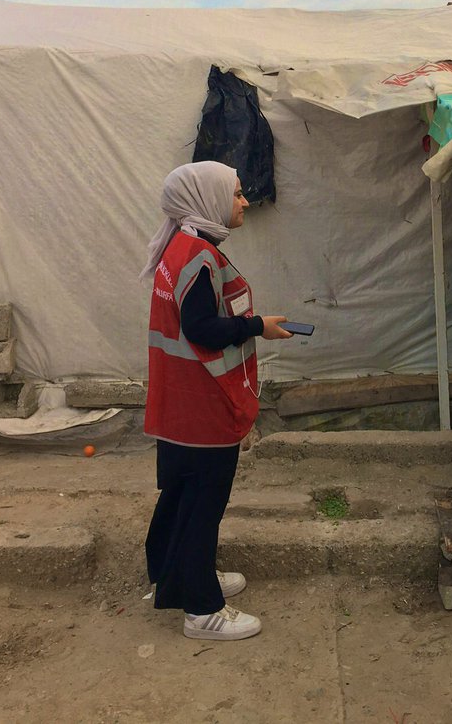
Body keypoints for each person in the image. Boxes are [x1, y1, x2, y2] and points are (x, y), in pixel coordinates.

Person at [140, 161, 293, 641]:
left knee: (183, 494)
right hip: (201, 402)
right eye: (237, 194)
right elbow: (202, 329)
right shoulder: (198, 256)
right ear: (207, 199)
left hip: (180, 399)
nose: (245, 202)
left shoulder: (180, 246)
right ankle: (202, 610)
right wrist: (256, 326)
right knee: (205, 501)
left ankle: (180, 573)